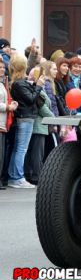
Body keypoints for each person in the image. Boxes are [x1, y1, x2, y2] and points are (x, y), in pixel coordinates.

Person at [7, 55, 43, 189]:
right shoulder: (20, 83)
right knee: (21, 149)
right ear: (23, 67)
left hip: (23, 117)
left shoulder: (18, 82)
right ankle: (17, 177)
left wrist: (34, 84)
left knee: (18, 148)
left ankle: (13, 176)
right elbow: (31, 99)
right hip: (25, 117)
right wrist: (38, 86)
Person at [24, 67, 54, 185]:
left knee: (35, 152)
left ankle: (33, 174)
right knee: (37, 153)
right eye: (41, 75)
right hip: (38, 125)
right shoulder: (36, 90)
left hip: (40, 125)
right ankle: (36, 176)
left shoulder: (39, 89)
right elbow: (42, 108)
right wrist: (55, 119)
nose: (44, 78)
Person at [0, 61, 18, 190]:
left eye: (2, 67)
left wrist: (12, 104)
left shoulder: (2, 83)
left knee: (1, 154)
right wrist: (8, 107)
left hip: (2, 123)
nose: (2, 69)